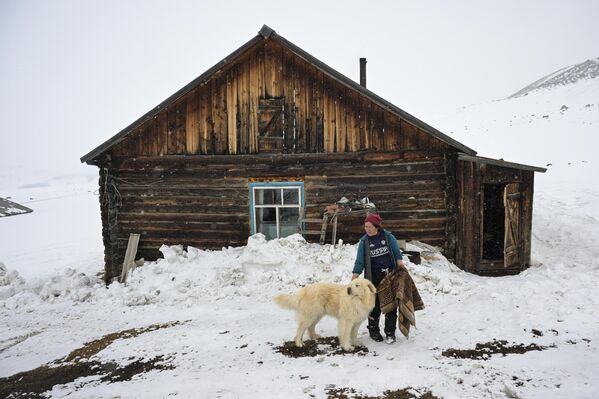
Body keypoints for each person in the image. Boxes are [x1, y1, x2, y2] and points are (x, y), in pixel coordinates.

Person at [352, 213, 404, 344]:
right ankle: (373, 331)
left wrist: (400, 265)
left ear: (376, 227)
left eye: (370, 227)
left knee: (391, 305)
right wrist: (355, 275)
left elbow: (397, 253)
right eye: (365, 227)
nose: (367, 229)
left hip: (389, 275)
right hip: (372, 276)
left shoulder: (387, 237)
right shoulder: (364, 241)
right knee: (373, 305)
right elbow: (360, 261)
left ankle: (390, 332)